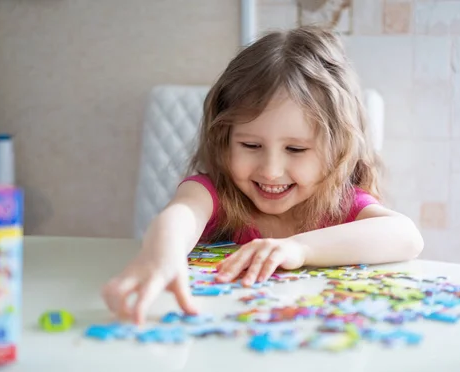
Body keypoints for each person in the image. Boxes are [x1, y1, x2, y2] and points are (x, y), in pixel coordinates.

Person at [102, 26, 424, 324]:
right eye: (251, 144)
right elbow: (180, 215)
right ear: (223, 139)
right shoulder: (214, 192)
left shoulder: (341, 203)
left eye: (296, 150)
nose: (270, 170)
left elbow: (406, 236)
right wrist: (162, 254)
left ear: (339, 149)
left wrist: (300, 249)